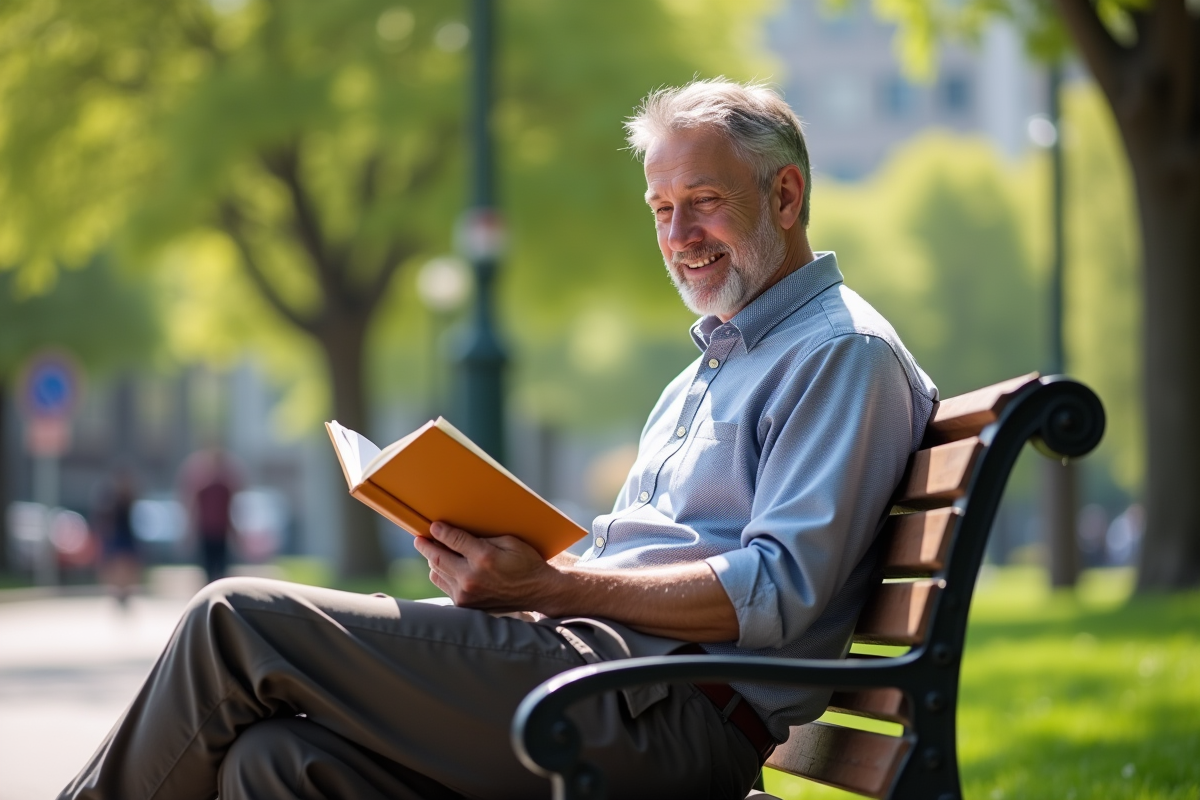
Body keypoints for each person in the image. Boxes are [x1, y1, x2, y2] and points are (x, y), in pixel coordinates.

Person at [59, 79, 937, 800]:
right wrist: (516, 564)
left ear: (786, 195)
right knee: (279, 767)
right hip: (604, 679)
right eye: (661, 209)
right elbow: (639, 561)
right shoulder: (711, 366)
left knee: (233, 621)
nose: (677, 238)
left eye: (702, 203)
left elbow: (779, 588)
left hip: (650, 715)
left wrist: (553, 583)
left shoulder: (839, 355)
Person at [178, 447, 243, 583]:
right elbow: (195, 511)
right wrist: (189, 533)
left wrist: (235, 534)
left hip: (220, 532)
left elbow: (230, 511)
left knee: (221, 569)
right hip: (206, 532)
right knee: (208, 569)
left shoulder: (225, 488)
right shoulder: (204, 487)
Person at [92, 468, 142, 608]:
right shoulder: (111, 498)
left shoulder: (128, 497)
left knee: (127, 563)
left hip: (126, 534)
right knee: (116, 564)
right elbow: (105, 518)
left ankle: (125, 590)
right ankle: (118, 590)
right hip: (117, 535)